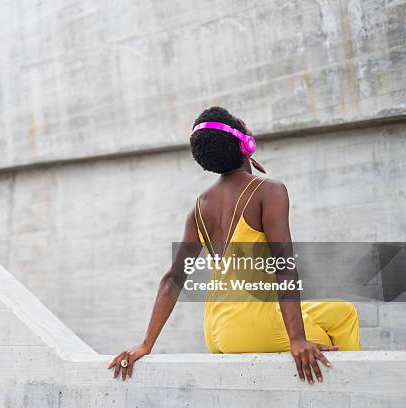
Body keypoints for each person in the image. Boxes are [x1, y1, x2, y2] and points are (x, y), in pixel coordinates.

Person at [109, 106, 361, 385]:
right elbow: (284, 266)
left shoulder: (199, 206)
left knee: (343, 313)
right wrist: (298, 339)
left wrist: (147, 343)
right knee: (325, 345)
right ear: (246, 145)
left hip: (216, 329)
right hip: (250, 326)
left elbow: (173, 279)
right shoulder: (269, 191)